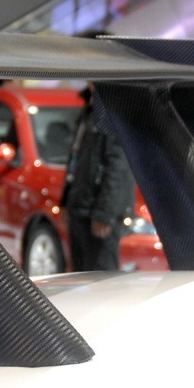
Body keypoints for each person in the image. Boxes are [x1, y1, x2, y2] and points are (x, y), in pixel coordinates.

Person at [62, 84, 134, 271]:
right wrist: (67, 200)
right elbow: (75, 158)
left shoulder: (112, 111)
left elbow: (118, 167)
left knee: (102, 279)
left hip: (97, 213)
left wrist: (105, 213)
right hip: (80, 208)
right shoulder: (90, 108)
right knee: (82, 276)